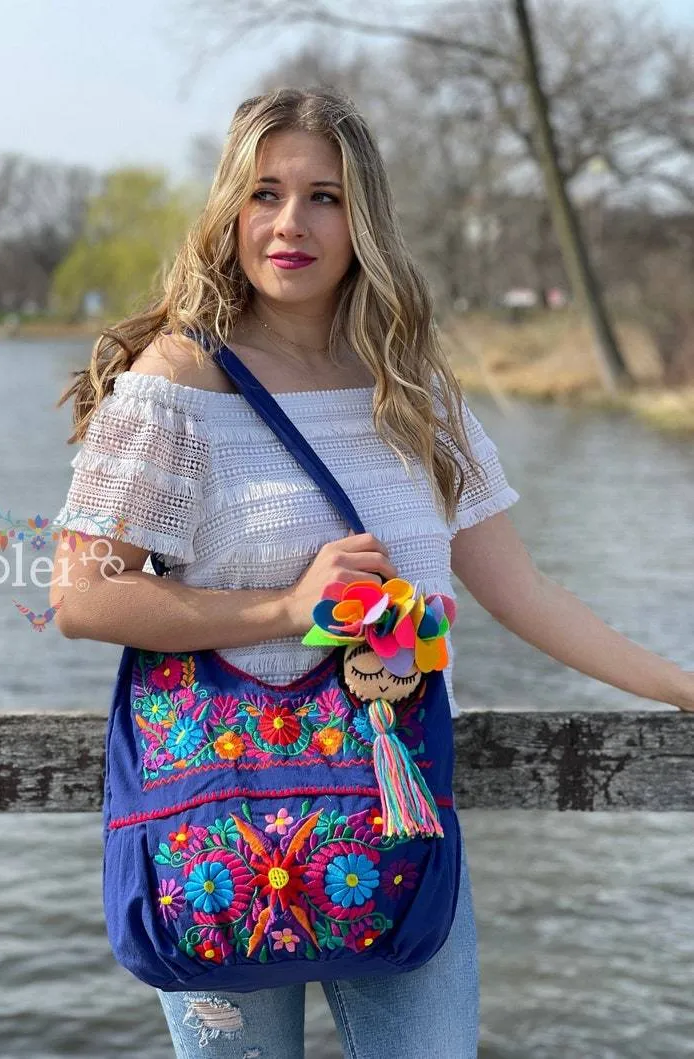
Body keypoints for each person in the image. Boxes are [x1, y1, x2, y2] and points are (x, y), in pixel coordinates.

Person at [51, 87, 694, 1059]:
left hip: (394, 813)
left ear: (364, 219)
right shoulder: (176, 381)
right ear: (229, 207)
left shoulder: (410, 388)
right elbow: (84, 596)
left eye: (325, 197)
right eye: (265, 192)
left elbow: (518, 590)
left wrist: (678, 688)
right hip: (216, 823)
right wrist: (287, 608)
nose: (289, 224)